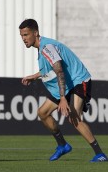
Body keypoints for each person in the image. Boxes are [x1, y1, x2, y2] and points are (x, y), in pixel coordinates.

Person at [19, 19, 107, 162]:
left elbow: (59, 70)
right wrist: (34, 76)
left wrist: (63, 98)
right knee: (43, 113)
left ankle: (100, 154)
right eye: (22, 36)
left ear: (35, 33)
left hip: (78, 80)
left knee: (73, 117)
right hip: (66, 83)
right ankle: (63, 145)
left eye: (26, 35)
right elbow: (51, 69)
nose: (23, 39)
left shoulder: (46, 47)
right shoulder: (42, 49)